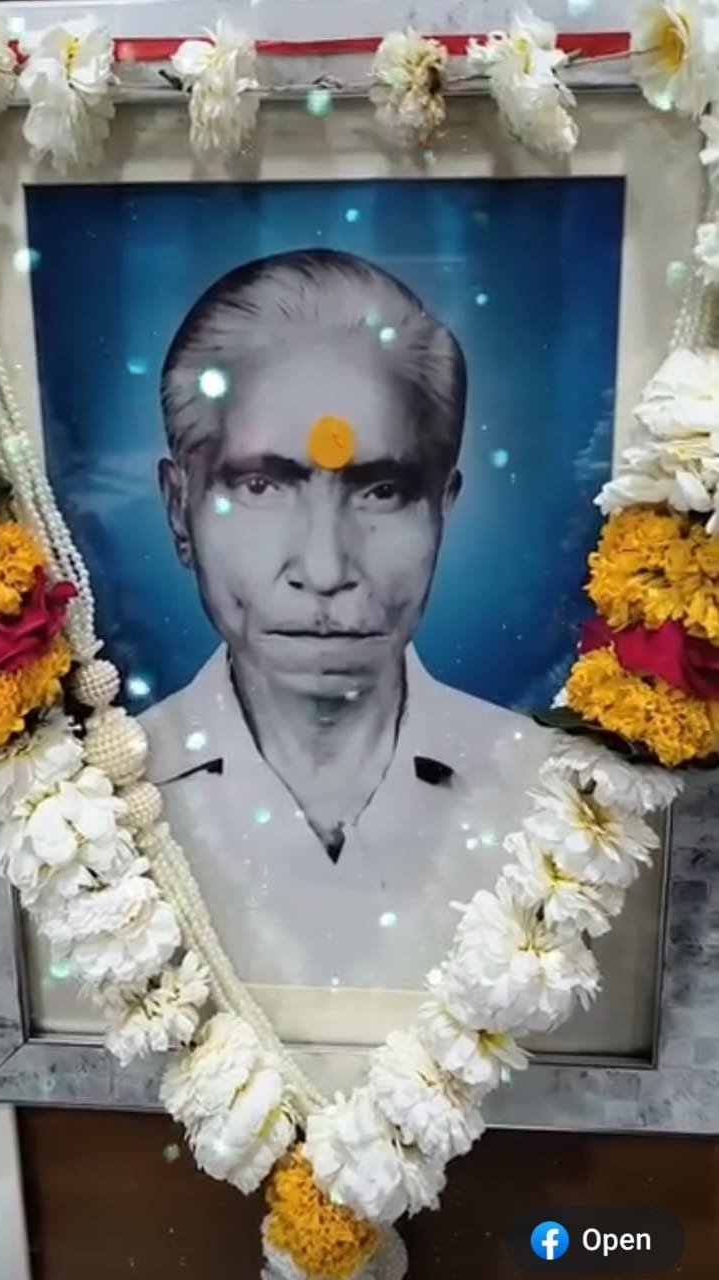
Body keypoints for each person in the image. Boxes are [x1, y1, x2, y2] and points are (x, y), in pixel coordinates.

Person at [140, 249, 553, 994]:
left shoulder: (554, 795)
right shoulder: (88, 808)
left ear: (444, 509)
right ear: (179, 509)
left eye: (382, 490)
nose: (326, 569)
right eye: (261, 485)